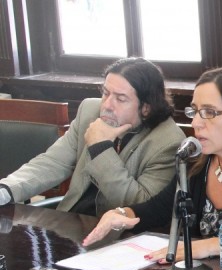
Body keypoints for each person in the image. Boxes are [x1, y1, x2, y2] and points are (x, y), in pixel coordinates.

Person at [82, 67, 222, 260]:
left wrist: (210, 245)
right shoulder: (195, 161)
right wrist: (121, 213)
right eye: (195, 111)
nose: (196, 122)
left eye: (209, 112)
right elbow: (162, 209)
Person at [0, 57, 185, 216]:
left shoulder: (167, 142)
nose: (107, 105)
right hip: (70, 223)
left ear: (146, 107)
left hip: (120, 238)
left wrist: (100, 148)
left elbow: (139, 205)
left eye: (120, 99)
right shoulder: (90, 111)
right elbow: (53, 162)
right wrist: (6, 189)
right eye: (105, 93)